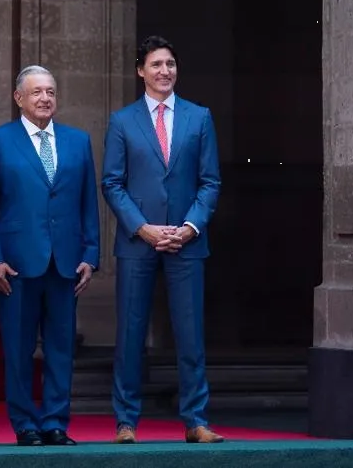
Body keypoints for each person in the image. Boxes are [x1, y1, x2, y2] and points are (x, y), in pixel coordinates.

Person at [101, 35, 223, 444]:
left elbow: (210, 181)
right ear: (141, 71)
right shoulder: (123, 121)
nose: (164, 71)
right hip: (138, 242)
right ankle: (126, 421)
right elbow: (112, 183)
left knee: (190, 333)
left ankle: (196, 420)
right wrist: (143, 228)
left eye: (170, 64)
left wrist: (190, 227)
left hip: (187, 241)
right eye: (156, 64)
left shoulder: (199, 117)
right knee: (130, 334)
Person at [0, 65, 100, 446]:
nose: (45, 98)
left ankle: (55, 422)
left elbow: (88, 203)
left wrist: (91, 254)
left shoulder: (77, 141)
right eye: (36, 92)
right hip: (16, 264)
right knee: (18, 349)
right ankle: (25, 424)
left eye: (50, 91)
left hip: (66, 262)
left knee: (61, 348)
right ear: (18, 98)